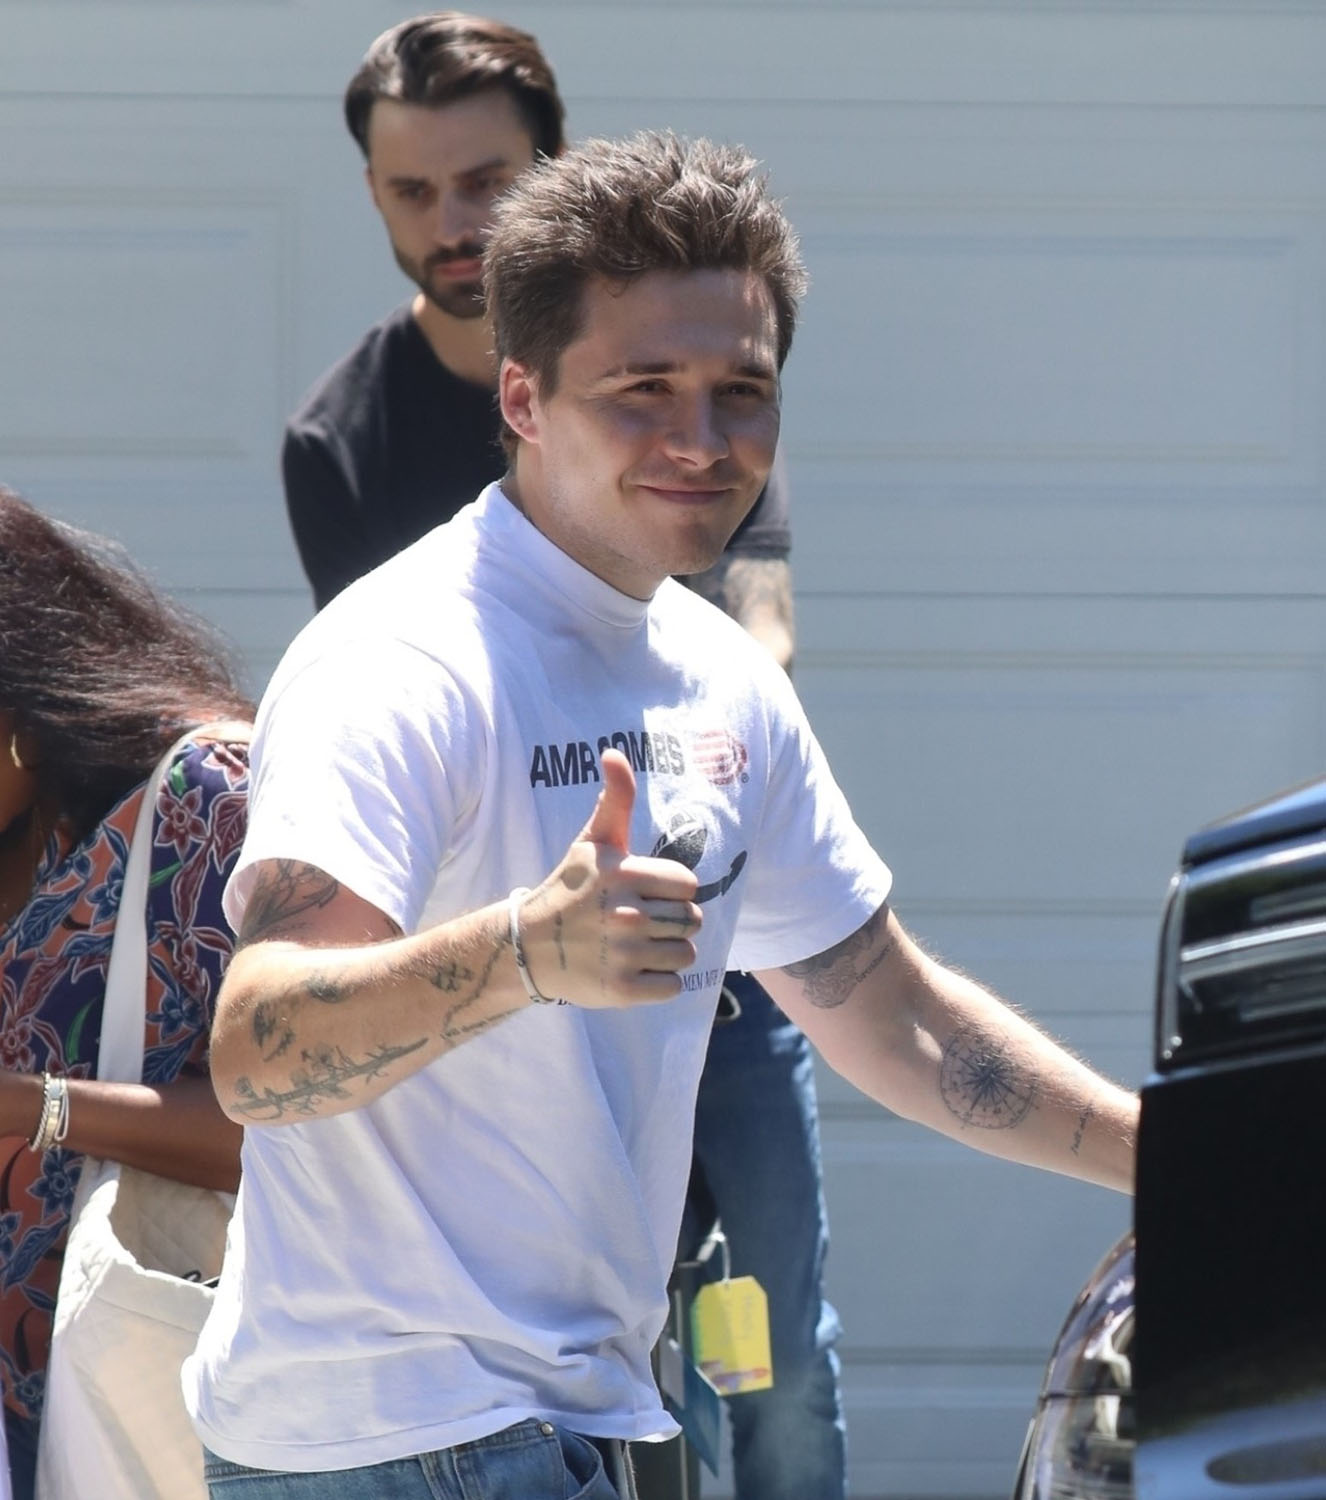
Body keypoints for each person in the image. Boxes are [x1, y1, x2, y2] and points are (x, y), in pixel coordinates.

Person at [185, 133, 1138, 1500]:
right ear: (523, 396)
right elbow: (256, 1051)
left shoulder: (718, 679)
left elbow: (891, 1016)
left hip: (573, 1419)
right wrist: (522, 952)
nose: (702, 441)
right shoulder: (403, 661)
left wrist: (1179, 1167)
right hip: (386, 1443)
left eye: (740, 392)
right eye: (643, 390)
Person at [283, 16, 835, 1497]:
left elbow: (754, 632)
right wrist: (538, 939)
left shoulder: (690, 377)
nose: (452, 223)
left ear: (547, 169)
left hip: (708, 930)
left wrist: (692, 818)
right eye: (412, 191)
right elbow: (406, 726)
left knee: (773, 1361)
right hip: (502, 974)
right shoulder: (340, 436)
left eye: (484, 182)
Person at [0, 488, 252, 1499]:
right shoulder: (27, 825)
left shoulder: (208, 799)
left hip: (161, 1403)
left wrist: (33, 1107)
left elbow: (307, 1122)